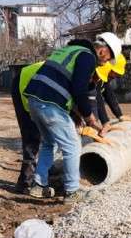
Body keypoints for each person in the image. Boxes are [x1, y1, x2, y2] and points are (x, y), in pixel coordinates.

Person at [23, 32, 122, 201]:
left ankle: (39, 186)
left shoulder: (70, 50)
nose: (105, 62)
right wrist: (90, 118)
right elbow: (79, 91)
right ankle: (72, 191)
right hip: (50, 104)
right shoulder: (87, 56)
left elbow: (67, 85)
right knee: (72, 144)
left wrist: (80, 115)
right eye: (108, 58)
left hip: (34, 100)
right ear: (103, 51)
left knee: (49, 143)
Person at [10, 58, 45, 193]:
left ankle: (35, 177)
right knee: (32, 136)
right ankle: (25, 181)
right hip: (23, 84)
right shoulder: (81, 74)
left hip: (37, 88)